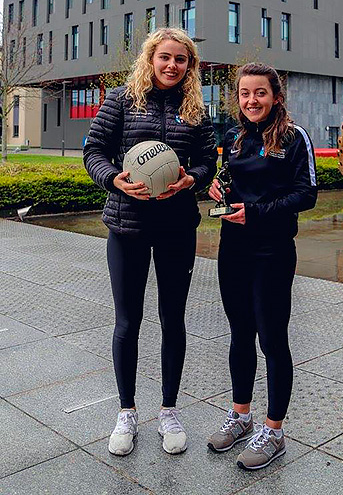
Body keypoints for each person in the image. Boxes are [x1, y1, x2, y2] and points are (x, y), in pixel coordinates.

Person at [83, 27, 217, 457]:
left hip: (176, 226)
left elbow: (208, 160)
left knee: (173, 319)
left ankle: (168, 410)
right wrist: (114, 179)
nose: (172, 65)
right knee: (128, 322)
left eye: (181, 59)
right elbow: (94, 151)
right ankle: (126, 411)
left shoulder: (195, 110)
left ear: (190, 65)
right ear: (150, 58)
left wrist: (192, 180)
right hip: (128, 226)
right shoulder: (122, 100)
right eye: (165, 57)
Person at [207, 63, 317, 470]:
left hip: (272, 251)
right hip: (233, 248)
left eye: (260, 93)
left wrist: (256, 213)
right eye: (244, 93)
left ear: (276, 97)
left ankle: (274, 430)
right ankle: (241, 416)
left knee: (272, 339)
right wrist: (219, 188)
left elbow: (307, 194)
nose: (251, 100)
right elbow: (231, 183)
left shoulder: (293, 137)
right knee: (239, 335)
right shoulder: (233, 137)